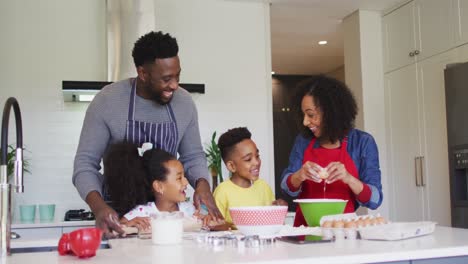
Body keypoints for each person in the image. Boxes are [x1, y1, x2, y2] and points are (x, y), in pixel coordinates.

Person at [72, 31, 221, 237]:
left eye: (178, 76)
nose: (175, 85)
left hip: (168, 219)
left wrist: (202, 185)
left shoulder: (184, 103)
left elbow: (193, 156)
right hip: (119, 219)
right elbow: (85, 165)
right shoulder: (107, 101)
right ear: (143, 73)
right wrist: (99, 208)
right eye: (166, 79)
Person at [280, 75, 383, 227]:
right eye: (303, 115)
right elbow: (286, 188)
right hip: (304, 230)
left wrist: (348, 178)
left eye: (311, 115)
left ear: (330, 112)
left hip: (344, 231)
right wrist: (299, 175)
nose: (305, 122)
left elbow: (375, 199)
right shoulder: (303, 141)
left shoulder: (363, 142)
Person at [104, 142, 219, 231]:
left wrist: (208, 221)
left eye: (184, 176)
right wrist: (128, 225)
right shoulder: (142, 212)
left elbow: (221, 226)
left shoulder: (190, 210)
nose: (186, 182)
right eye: (179, 178)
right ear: (159, 187)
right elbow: (116, 230)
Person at [214, 127, 287, 224]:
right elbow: (216, 226)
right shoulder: (222, 191)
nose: (256, 162)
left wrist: (279, 210)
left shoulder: (263, 187)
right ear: (231, 166)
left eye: (257, 156)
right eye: (248, 159)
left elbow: (273, 223)